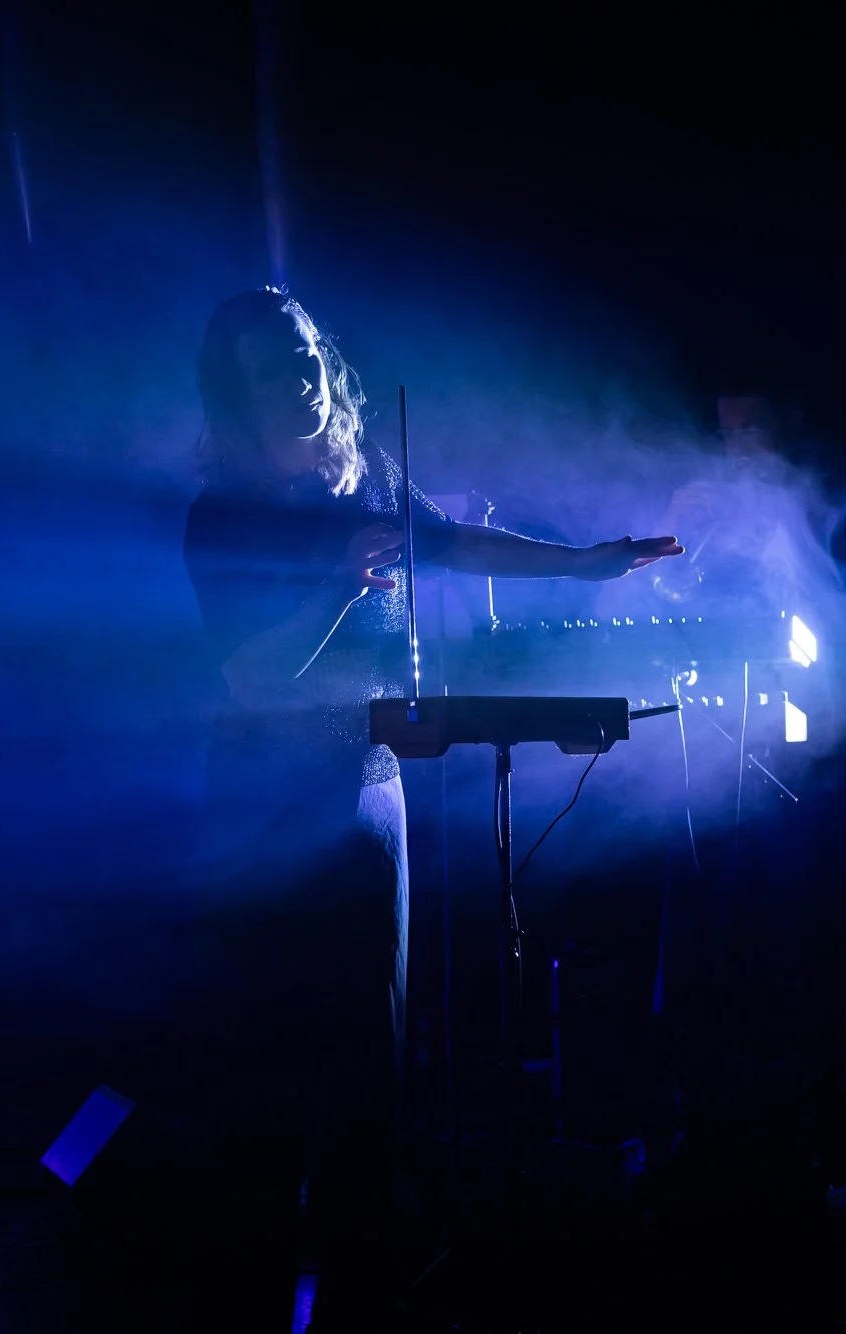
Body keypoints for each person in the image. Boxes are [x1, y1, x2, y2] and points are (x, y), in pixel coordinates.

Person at [179, 287, 679, 1331]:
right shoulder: (223, 514)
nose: (304, 379)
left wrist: (583, 564)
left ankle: (360, 1300)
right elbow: (252, 677)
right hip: (262, 807)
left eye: (310, 355)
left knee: (373, 1063)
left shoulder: (367, 484)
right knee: (271, 1070)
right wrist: (333, 580)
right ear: (239, 392)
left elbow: (457, 543)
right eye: (275, 366)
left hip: (367, 789)